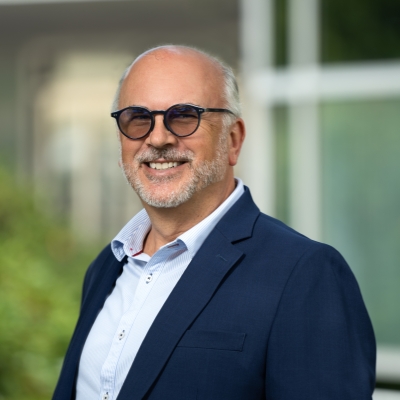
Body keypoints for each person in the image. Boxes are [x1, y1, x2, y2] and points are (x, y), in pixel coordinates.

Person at [53, 45, 376, 400]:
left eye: (184, 115)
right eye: (138, 118)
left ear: (233, 140)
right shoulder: (107, 266)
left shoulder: (304, 275)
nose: (158, 138)